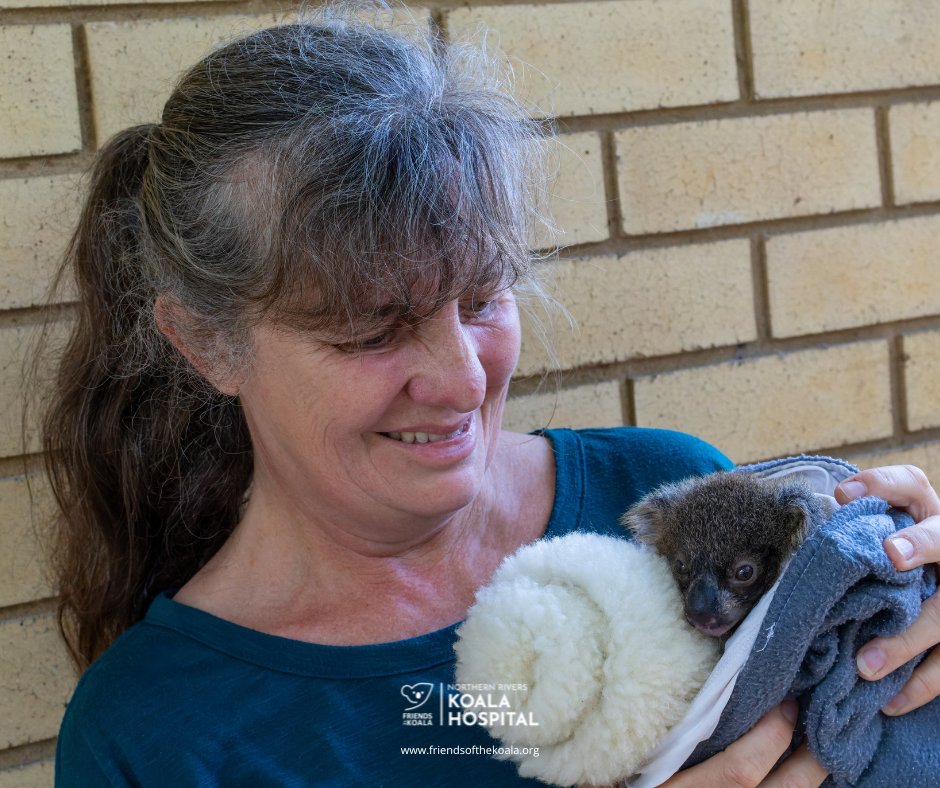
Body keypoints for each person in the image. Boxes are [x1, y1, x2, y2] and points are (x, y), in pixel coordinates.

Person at [41, 6, 940, 786]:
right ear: (205, 343)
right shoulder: (154, 737)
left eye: (482, 299)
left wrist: (901, 624)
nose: (465, 379)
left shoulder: (667, 503)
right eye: (371, 330)